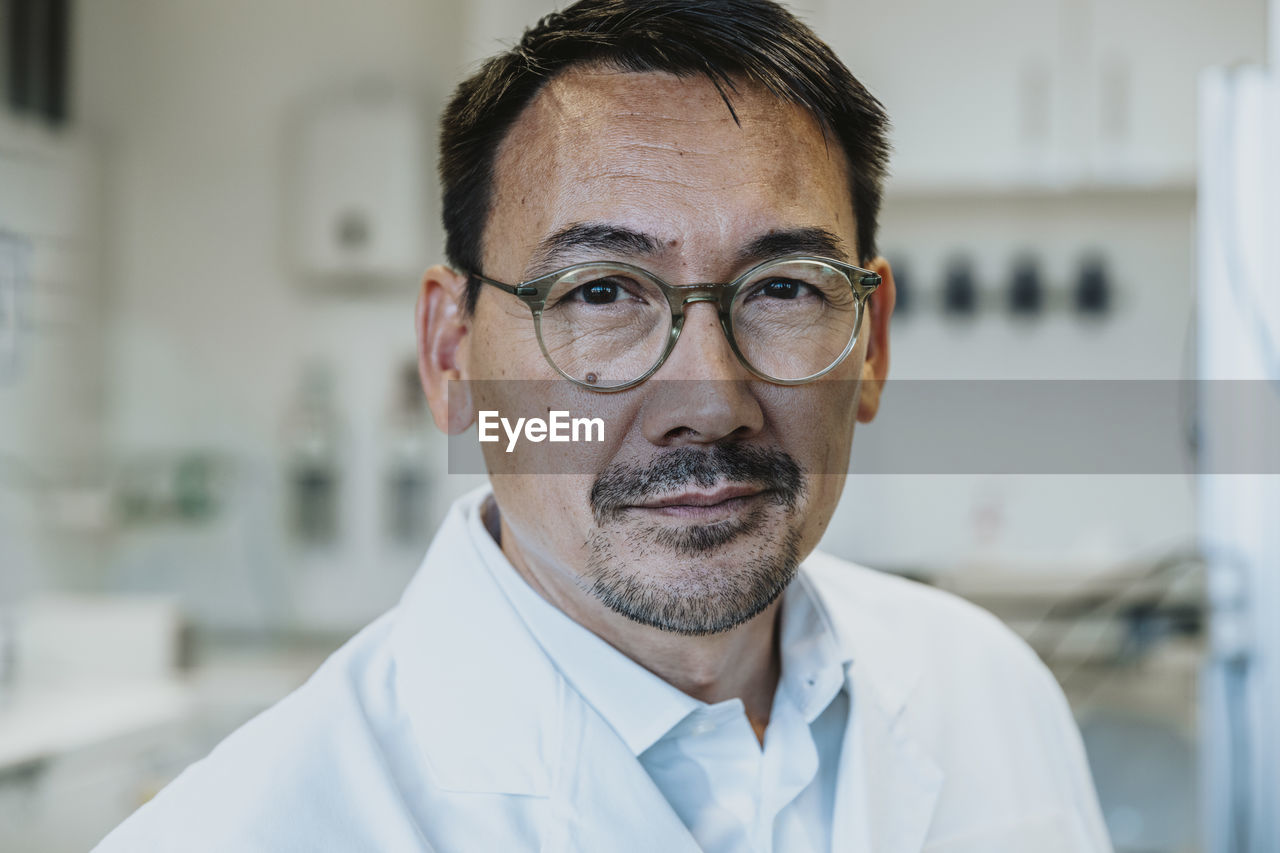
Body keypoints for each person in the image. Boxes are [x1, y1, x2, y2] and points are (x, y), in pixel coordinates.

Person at [96, 1, 1113, 850]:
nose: (709, 399)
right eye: (599, 293)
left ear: (872, 343)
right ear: (451, 355)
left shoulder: (988, 694)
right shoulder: (251, 827)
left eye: (784, 288)